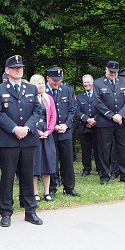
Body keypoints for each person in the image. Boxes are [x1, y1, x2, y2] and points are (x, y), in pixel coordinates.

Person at [0, 55, 44, 227]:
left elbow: (38, 111)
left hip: (28, 139)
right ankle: (6, 212)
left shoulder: (31, 88)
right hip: (9, 140)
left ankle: (30, 211)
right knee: (7, 177)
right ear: (7, 70)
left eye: (20, 67)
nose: (18, 70)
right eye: (14, 68)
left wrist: (27, 128)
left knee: (28, 176)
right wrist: (15, 129)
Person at [93, 60, 125, 185]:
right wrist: (112, 116)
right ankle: (105, 176)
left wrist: (121, 114)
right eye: (111, 72)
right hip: (105, 122)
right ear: (106, 69)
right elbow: (97, 102)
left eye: (115, 72)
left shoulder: (123, 82)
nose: (113, 74)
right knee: (104, 149)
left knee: (122, 148)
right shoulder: (98, 83)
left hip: (121, 121)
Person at [45, 67, 79, 197]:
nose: (57, 83)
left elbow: (73, 109)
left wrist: (66, 124)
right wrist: (52, 127)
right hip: (51, 132)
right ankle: (52, 187)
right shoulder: (43, 91)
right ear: (48, 78)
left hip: (65, 130)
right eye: (54, 80)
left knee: (67, 160)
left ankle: (69, 187)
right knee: (52, 159)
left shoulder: (68, 90)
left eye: (59, 80)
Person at [29, 74, 57, 201]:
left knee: (47, 161)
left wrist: (49, 130)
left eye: (42, 83)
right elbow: (29, 116)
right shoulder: (30, 98)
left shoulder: (48, 98)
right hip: (35, 132)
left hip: (47, 133)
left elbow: (53, 116)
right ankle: (35, 192)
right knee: (35, 163)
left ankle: (47, 192)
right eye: (38, 83)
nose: (41, 85)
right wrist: (38, 131)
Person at [76, 74, 99, 176]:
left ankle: (100, 168)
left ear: (92, 82)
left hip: (97, 126)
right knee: (85, 149)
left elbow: (102, 109)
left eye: (88, 82)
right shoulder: (79, 96)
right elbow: (76, 110)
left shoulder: (99, 95)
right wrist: (87, 120)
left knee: (99, 149)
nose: (86, 84)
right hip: (84, 126)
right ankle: (86, 168)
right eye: (84, 82)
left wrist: (94, 120)